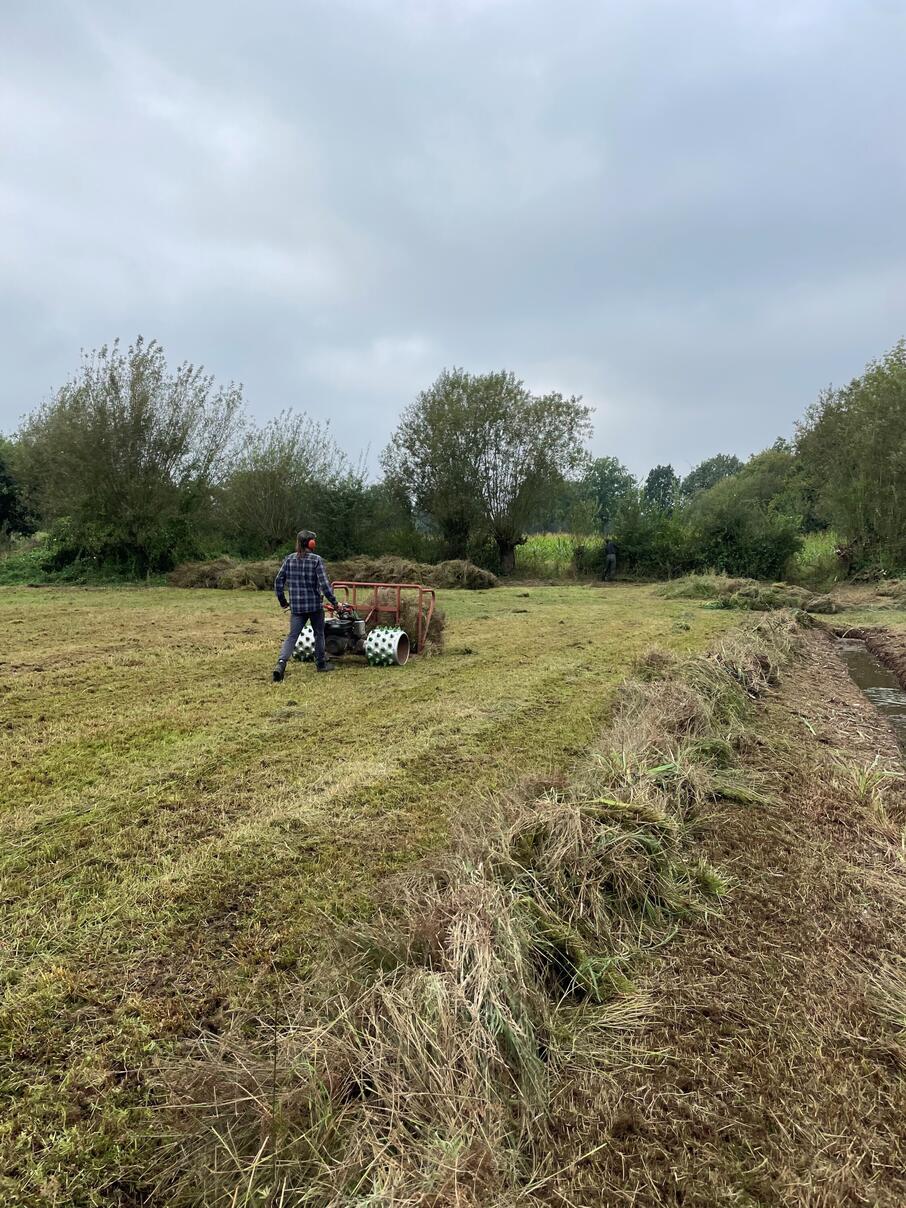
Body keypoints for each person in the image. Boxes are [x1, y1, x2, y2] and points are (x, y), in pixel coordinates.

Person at [272, 529, 341, 681]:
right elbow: (324, 585)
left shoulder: (289, 559)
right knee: (319, 633)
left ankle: (281, 664)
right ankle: (321, 664)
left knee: (292, 636)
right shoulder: (316, 560)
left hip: (296, 607)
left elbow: (278, 582)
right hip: (315, 606)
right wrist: (335, 603)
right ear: (311, 543)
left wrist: (283, 602)